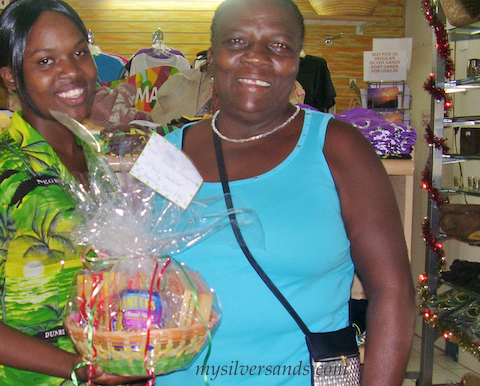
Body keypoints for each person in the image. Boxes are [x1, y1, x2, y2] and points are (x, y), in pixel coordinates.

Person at [156, 0, 416, 384]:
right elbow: (132, 279)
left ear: (297, 61)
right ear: (212, 57)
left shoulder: (338, 147)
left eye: (278, 45)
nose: (257, 58)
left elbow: (392, 290)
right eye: (237, 41)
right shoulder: (165, 156)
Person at [0, 1, 148, 385]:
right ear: (10, 77)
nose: (72, 71)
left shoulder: (91, 158)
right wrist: (78, 370)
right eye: (45, 61)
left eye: (79, 53)